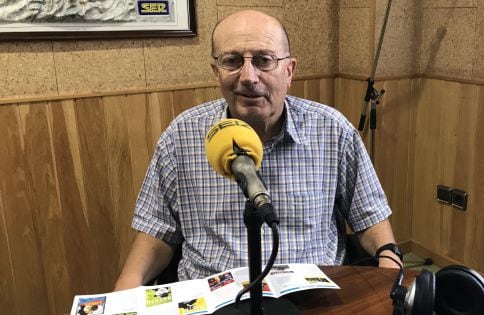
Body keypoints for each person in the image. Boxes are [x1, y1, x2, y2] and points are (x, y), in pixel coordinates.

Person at [114, 9, 401, 291]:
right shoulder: (181, 136)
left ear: (289, 71)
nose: (249, 76)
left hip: (312, 296)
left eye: (264, 60)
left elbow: (370, 217)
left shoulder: (333, 130)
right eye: (232, 61)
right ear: (216, 71)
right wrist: (122, 294)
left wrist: (392, 278)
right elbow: (156, 231)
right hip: (212, 297)